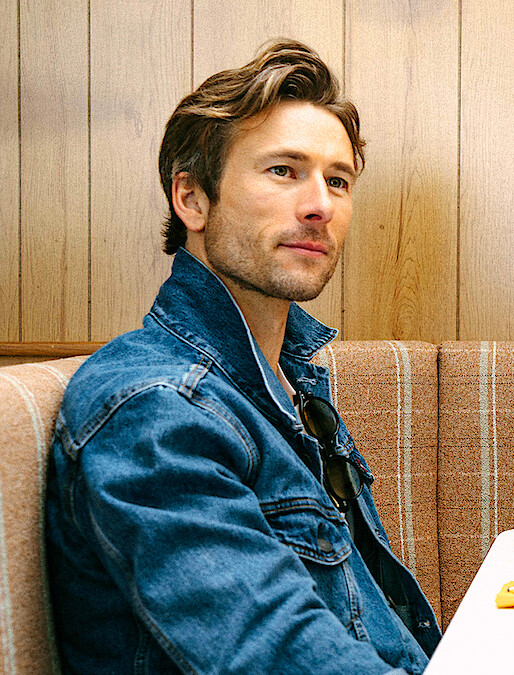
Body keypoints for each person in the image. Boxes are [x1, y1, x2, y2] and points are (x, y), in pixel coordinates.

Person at [44, 40, 440, 674]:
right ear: (192, 200)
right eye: (283, 170)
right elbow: (278, 654)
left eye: (338, 181)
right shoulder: (158, 408)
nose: (320, 206)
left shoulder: (289, 381)